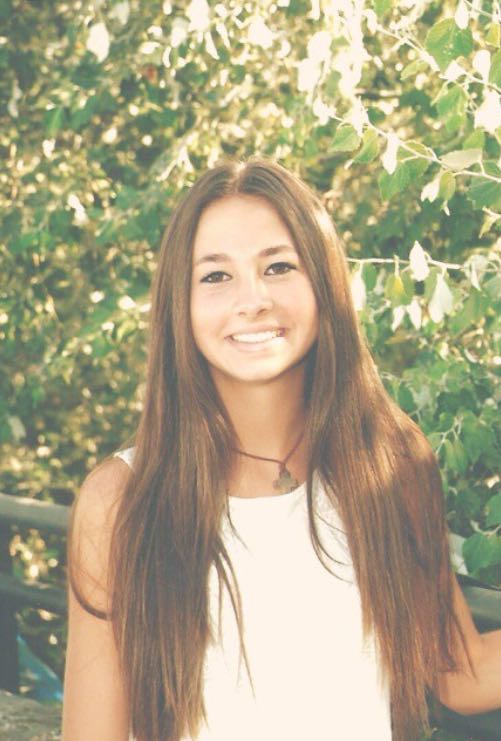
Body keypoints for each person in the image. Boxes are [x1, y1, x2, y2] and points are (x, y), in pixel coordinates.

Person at [62, 158, 501, 741]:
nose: (253, 300)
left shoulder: (390, 462)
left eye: (278, 266)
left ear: (324, 282)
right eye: (216, 276)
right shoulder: (121, 500)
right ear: (179, 304)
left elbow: (460, 673)